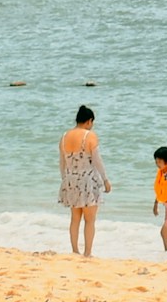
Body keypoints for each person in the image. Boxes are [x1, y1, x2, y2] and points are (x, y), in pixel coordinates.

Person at [57, 104, 112, 255]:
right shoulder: (90, 136)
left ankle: (75, 251)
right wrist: (105, 180)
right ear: (89, 121)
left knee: (75, 218)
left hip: (70, 180)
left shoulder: (64, 137)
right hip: (88, 180)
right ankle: (87, 252)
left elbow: (62, 163)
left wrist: (65, 181)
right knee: (90, 219)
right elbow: (97, 160)